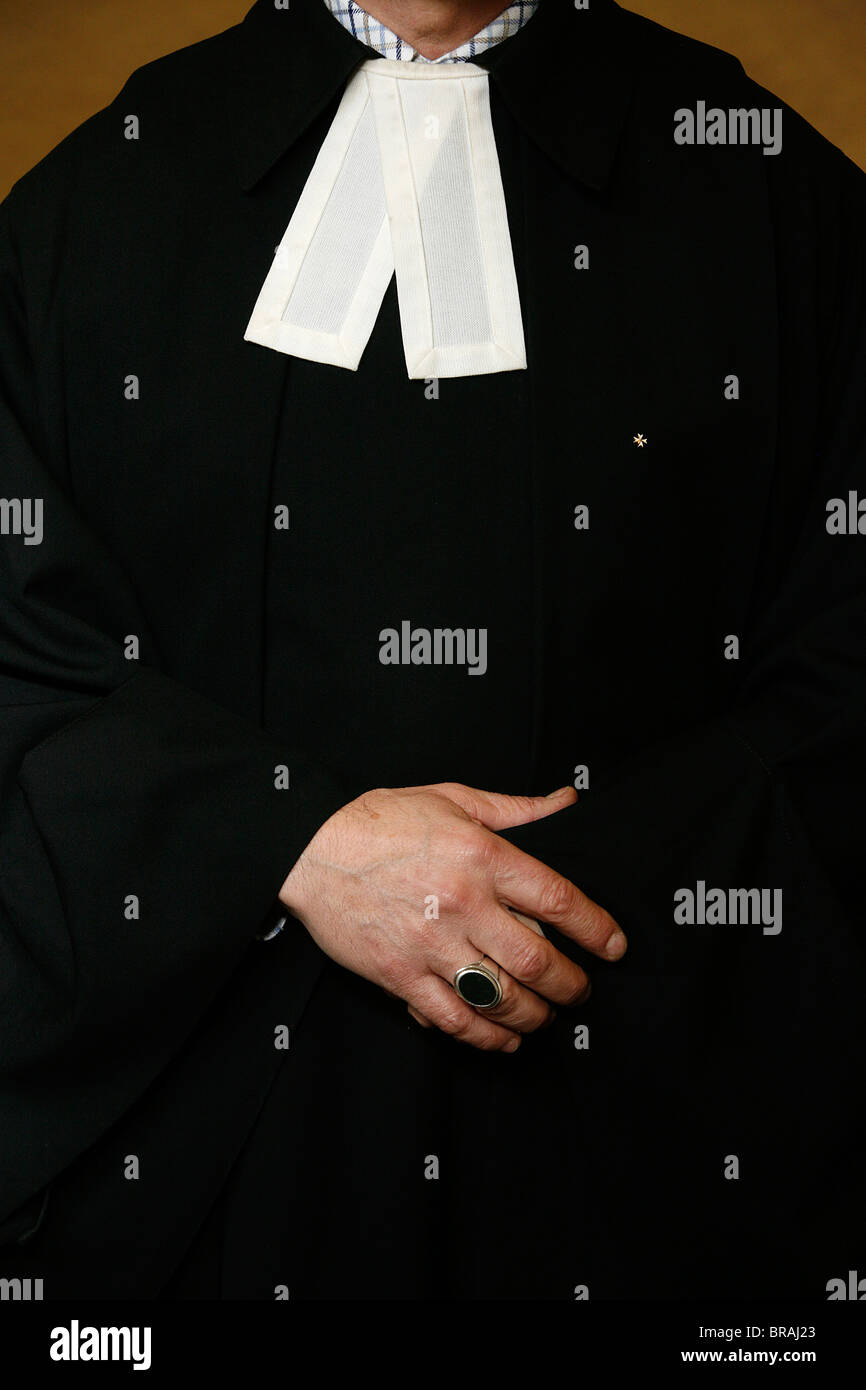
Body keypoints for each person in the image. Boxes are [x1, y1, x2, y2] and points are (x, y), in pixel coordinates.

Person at [1, 0, 863, 1301]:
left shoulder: (766, 185)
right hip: (207, 1174)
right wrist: (280, 838)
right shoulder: (97, 199)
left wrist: (551, 899)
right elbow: (19, 653)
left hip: (652, 1144)